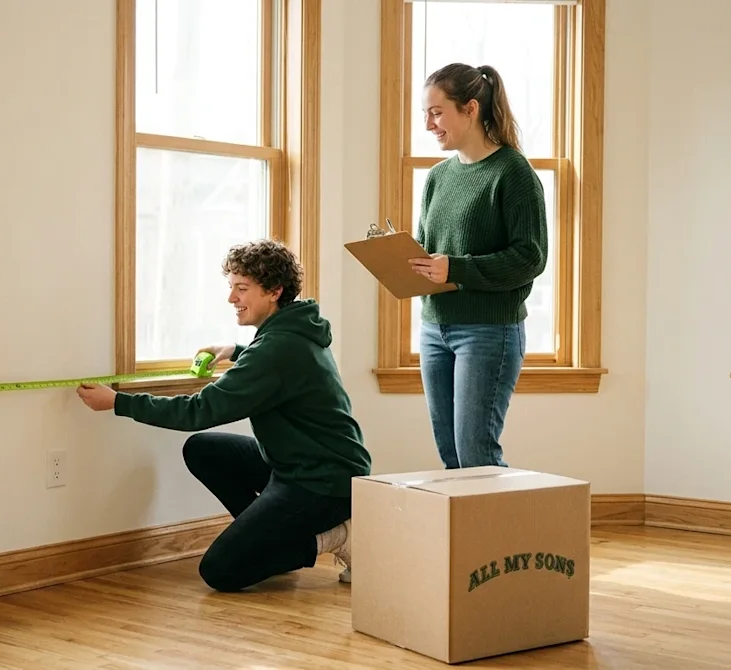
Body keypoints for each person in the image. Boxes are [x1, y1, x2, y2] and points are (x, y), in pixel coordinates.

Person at [76, 238, 372, 591]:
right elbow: (273, 367)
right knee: (203, 450)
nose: (232, 298)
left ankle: (337, 537)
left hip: (323, 483)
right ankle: (270, 543)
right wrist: (235, 350)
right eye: (232, 287)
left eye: (242, 289)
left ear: (274, 291)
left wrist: (119, 403)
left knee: (220, 570)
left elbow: (199, 410)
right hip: (299, 465)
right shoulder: (293, 332)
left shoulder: (277, 350)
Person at [407, 63, 547, 471]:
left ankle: (510, 536)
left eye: (436, 112)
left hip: (488, 332)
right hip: (434, 328)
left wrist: (456, 268)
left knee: (476, 455)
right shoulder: (438, 177)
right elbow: (431, 251)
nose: (430, 124)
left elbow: (530, 258)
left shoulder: (513, 173)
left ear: (470, 109)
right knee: (452, 456)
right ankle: (467, 538)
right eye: (425, 115)